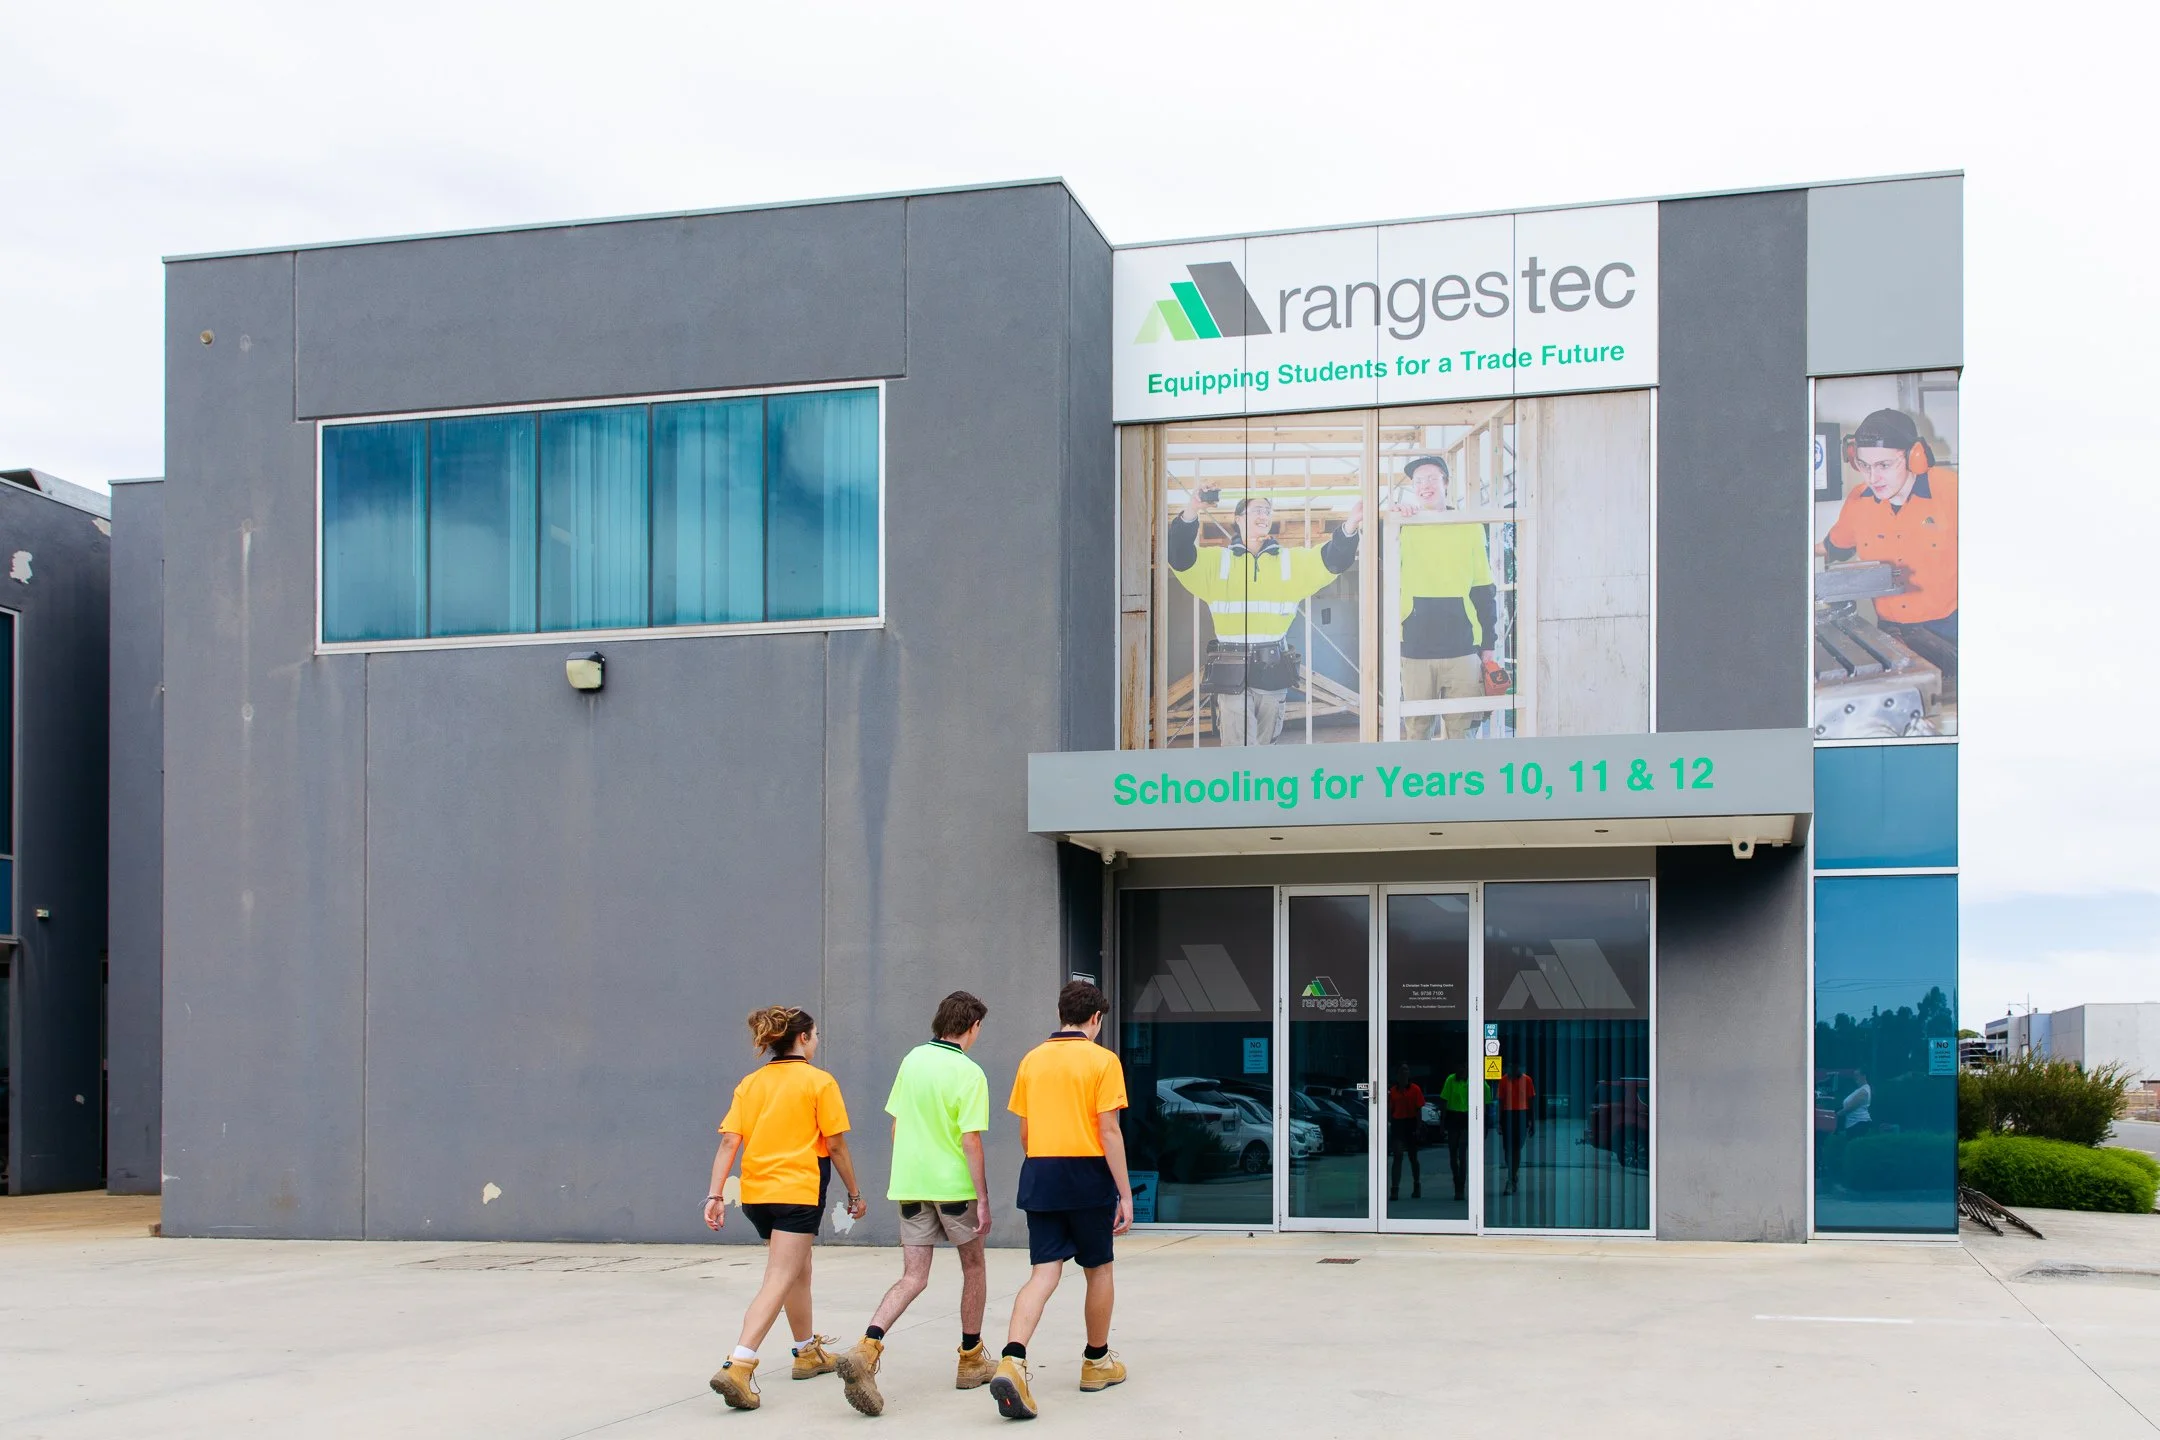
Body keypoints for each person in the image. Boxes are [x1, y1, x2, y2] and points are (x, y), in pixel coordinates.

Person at [835, 992, 997, 1417]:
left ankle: (867, 1348)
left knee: (912, 1277)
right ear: (972, 1027)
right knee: (974, 1267)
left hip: (910, 1185)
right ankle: (971, 1358)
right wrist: (982, 1198)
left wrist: (909, 1172)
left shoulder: (911, 1060)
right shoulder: (970, 1073)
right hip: (954, 1186)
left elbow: (897, 1125)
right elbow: (971, 1140)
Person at [703, 1006, 869, 1411]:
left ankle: (806, 1350)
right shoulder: (819, 1081)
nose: (818, 1040)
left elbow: (729, 1142)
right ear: (803, 1038)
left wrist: (715, 1195)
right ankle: (739, 1363)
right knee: (780, 1276)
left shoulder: (751, 1083)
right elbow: (835, 1144)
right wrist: (854, 1192)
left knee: (798, 1269)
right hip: (797, 1191)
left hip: (758, 1195)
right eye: (815, 1034)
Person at [987, 980, 1133, 1421]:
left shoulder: (1032, 1060)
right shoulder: (1103, 1060)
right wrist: (1125, 1192)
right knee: (1099, 1268)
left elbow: (1026, 1132)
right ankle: (1096, 1361)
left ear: (1060, 1014)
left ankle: (1012, 1359)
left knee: (1043, 1273)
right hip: (1086, 1174)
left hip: (1041, 1172)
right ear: (1096, 1019)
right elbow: (1109, 1131)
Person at [1167, 490, 1362, 745]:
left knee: (1266, 746)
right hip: (1231, 670)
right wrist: (1193, 508)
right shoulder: (1217, 563)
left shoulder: (1289, 562)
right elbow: (1179, 555)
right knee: (1238, 748)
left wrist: (1350, 526)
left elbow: (1331, 560)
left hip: (1272, 667)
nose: (1263, 515)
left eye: (1267, 511)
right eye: (1256, 509)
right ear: (1237, 518)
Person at [1822, 409, 1959, 649]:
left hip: (1950, 631)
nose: (1872, 478)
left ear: (1914, 456)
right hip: (1890, 632)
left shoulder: (1952, 492)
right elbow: (1832, 548)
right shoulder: (1858, 501)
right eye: (1864, 465)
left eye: (1884, 465)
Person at [1386, 455, 1500, 740]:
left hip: (1462, 648)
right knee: (1418, 730)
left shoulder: (1469, 526)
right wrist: (1393, 519)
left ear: (1446, 483)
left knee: (1462, 734)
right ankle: (1420, 784)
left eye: (1431, 478)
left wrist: (1488, 644)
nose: (1425, 485)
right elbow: (1380, 567)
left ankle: (1462, 785)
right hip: (1415, 648)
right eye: (1418, 481)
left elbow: (1483, 588)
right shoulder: (1402, 527)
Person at [1436, 1068, 1489, 1202]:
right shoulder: (1451, 1080)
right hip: (1453, 1118)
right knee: (1453, 1155)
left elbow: (1485, 1100)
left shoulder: (1476, 1080)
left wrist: (1484, 1124)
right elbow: (1444, 1101)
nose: (1461, 1071)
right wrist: (1442, 1124)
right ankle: (1456, 1181)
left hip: (1467, 1118)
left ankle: (1461, 1187)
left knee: (1462, 1155)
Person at [1494, 1063, 1537, 1198]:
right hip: (1508, 1114)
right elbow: (1501, 1102)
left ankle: (1510, 1179)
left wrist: (1532, 1122)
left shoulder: (1527, 1080)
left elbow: (1531, 1103)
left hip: (1521, 1115)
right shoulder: (1503, 1081)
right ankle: (1512, 1174)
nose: (1513, 1069)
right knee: (1508, 1150)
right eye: (1511, 1067)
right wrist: (1499, 1122)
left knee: (1517, 1148)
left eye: (1516, 1067)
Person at [1386, 1063, 1425, 1202]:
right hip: (1398, 1123)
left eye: (1406, 1070)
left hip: (1411, 1123)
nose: (1404, 1073)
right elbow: (1390, 1110)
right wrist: (1390, 1124)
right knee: (1398, 1156)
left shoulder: (1415, 1089)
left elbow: (1419, 1109)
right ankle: (1394, 1188)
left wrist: (1418, 1127)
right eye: (1401, 1071)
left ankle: (1417, 1185)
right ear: (1397, 1075)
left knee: (1413, 1158)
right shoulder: (1393, 1091)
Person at [1837, 1070, 1874, 1138]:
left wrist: (1837, 1114)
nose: (1855, 1077)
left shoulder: (1864, 1091)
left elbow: (1850, 1107)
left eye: (1857, 1075)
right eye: (1854, 1075)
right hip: (1852, 1125)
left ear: (1864, 1076)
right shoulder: (1859, 1090)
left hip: (1859, 1124)